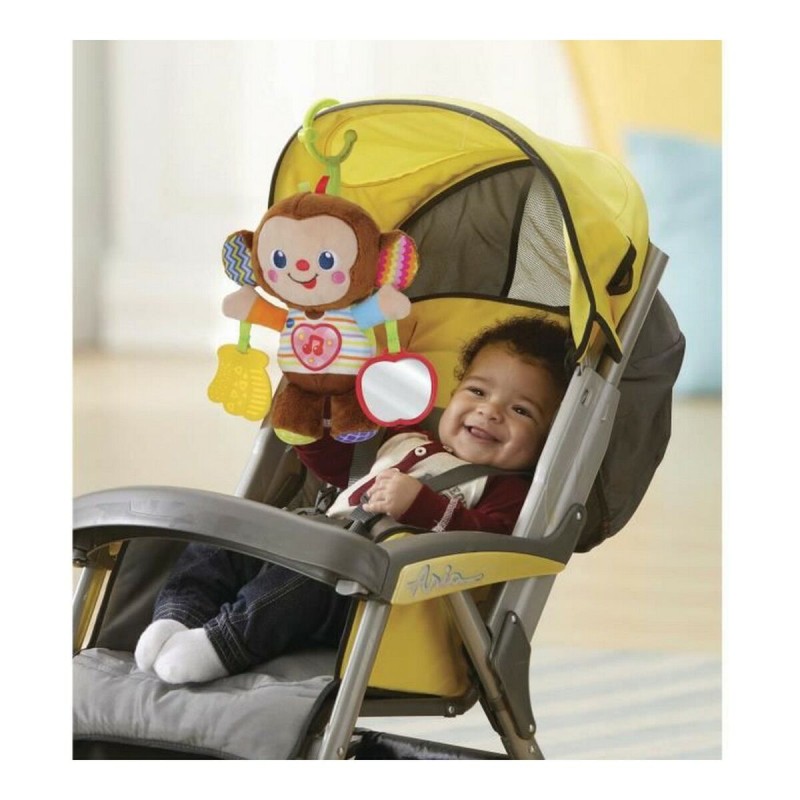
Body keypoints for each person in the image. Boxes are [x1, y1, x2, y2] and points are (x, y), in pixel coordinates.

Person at [134, 316, 570, 684]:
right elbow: (343, 472)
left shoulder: (507, 490)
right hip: (316, 541)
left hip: (362, 596)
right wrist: (313, 433)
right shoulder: (408, 440)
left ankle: (223, 644)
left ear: (547, 439)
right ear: (454, 393)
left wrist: (421, 506)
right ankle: (178, 616)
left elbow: (487, 538)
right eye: (477, 391)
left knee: (301, 584)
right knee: (225, 533)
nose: (490, 411)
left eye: (521, 411)